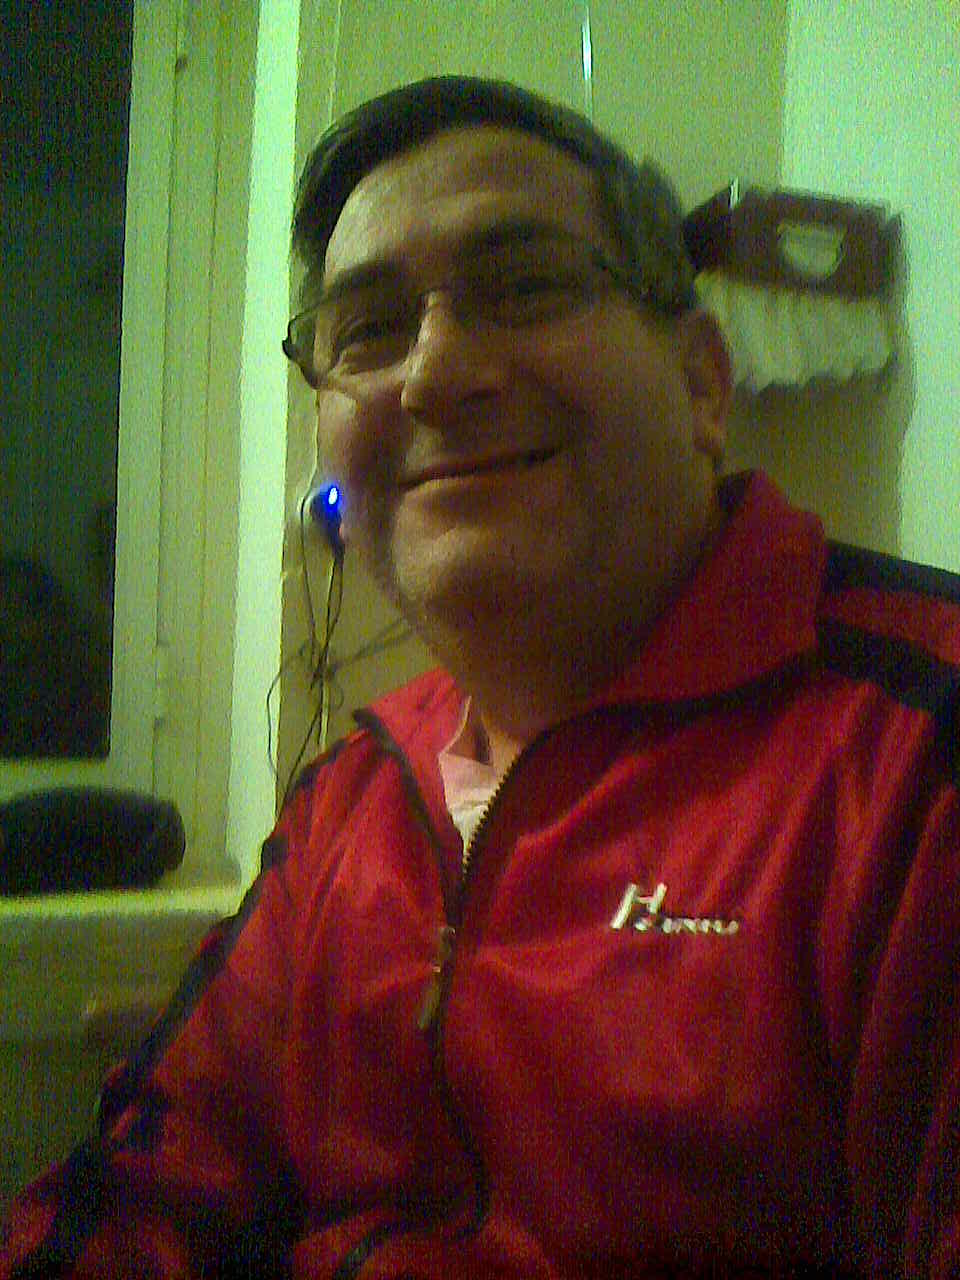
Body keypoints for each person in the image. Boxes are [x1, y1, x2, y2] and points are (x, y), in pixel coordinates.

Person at [3, 75, 959, 1280]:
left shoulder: (916, 757)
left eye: (527, 287)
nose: (434, 373)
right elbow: (149, 1185)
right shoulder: (354, 797)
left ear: (703, 383)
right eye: (367, 328)